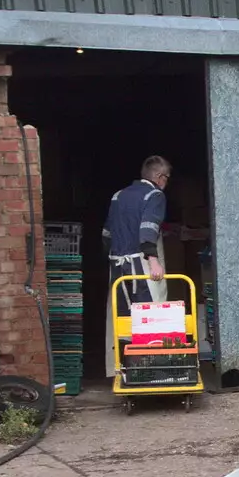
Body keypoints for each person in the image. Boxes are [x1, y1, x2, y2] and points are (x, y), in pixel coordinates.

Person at [103, 155, 174, 375]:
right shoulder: (155, 195)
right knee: (151, 316)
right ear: (160, 177)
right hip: (140, 266)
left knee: (123, 318)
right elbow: (148, 229)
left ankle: (123, 370)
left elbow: (106, 234)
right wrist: (153, 261)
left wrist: (114, 255)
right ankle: (153, 372)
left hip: (117, 266)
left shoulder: (118, 196)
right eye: (167, 178)